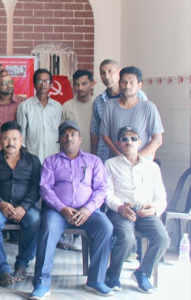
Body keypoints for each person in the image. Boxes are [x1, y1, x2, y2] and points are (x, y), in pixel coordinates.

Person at [30, 120, 114, 299]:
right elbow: (45, 189)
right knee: (48, 227)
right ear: (59, 140)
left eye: (73, 134)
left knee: (105, 226)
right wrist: (62, 208)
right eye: (64, 135)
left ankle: (96, 280)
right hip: (58, 212)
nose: (69, 138)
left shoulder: (93, 161)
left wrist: (87, 209)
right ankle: (42, 283)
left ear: (80, 139)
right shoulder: (51, 161)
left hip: (88, 212)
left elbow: (101, 189)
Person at [104, 126, 169, 293]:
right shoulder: (111, 164)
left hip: (145, 211)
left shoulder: (151, 167)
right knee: (127, 238)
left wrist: (154, 209)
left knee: (162, 238)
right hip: (120, 210)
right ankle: (113, 274)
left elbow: (161, 197)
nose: (129, 142)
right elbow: (107, 194)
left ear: (140, 142)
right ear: (118, 143)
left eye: (133, 138)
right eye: (124, 139)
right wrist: (120, 207)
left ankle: (143, 273)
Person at [0, 121, 41, 286]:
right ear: (0, 140)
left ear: (21, 140)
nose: (11, 143)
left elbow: (36, 188)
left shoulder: (33, 161)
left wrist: (24, 207)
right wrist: (0, 203)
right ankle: (3, 269)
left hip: (25, 208)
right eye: (6, 138)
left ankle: (22, 264)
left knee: (36, 219)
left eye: (15, 139)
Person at [99, 66, 163, 160]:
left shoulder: (149, 107)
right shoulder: (109, 106)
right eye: (124, 82)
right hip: (117, 163)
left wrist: (136, 158)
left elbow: (157, 140)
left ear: (139, 85)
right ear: (119, 84)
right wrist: (120, 157)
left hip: (142, 163)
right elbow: (105, 135)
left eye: (131, 82)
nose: (127, 86)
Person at [90, 59, 148, 161]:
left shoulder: (139, 96)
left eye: (110, 71)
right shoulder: (98, 101)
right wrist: (94, 158)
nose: (107, 76)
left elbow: (149, 130)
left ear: (119, 72)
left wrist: (142, 157)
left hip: (135, 157)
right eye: (103, 73)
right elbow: (95, 132)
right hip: (106, 157)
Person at [16, 68, 62, 163]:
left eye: (46, 81)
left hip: (54, 156)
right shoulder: (24, 106)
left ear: (51, 84)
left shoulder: (58, 107)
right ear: (34, 84)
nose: (43, 84)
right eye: (39, 81)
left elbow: (61, 133)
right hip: (32, 158)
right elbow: (21, 136)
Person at [62, 70, 95, 153]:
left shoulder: (97, 104)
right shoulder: (67, 106)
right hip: (72, 154)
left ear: (92, 84)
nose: (80, 88)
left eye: (84, 84)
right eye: (76, 84)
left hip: (94, 154)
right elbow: (62, 133)